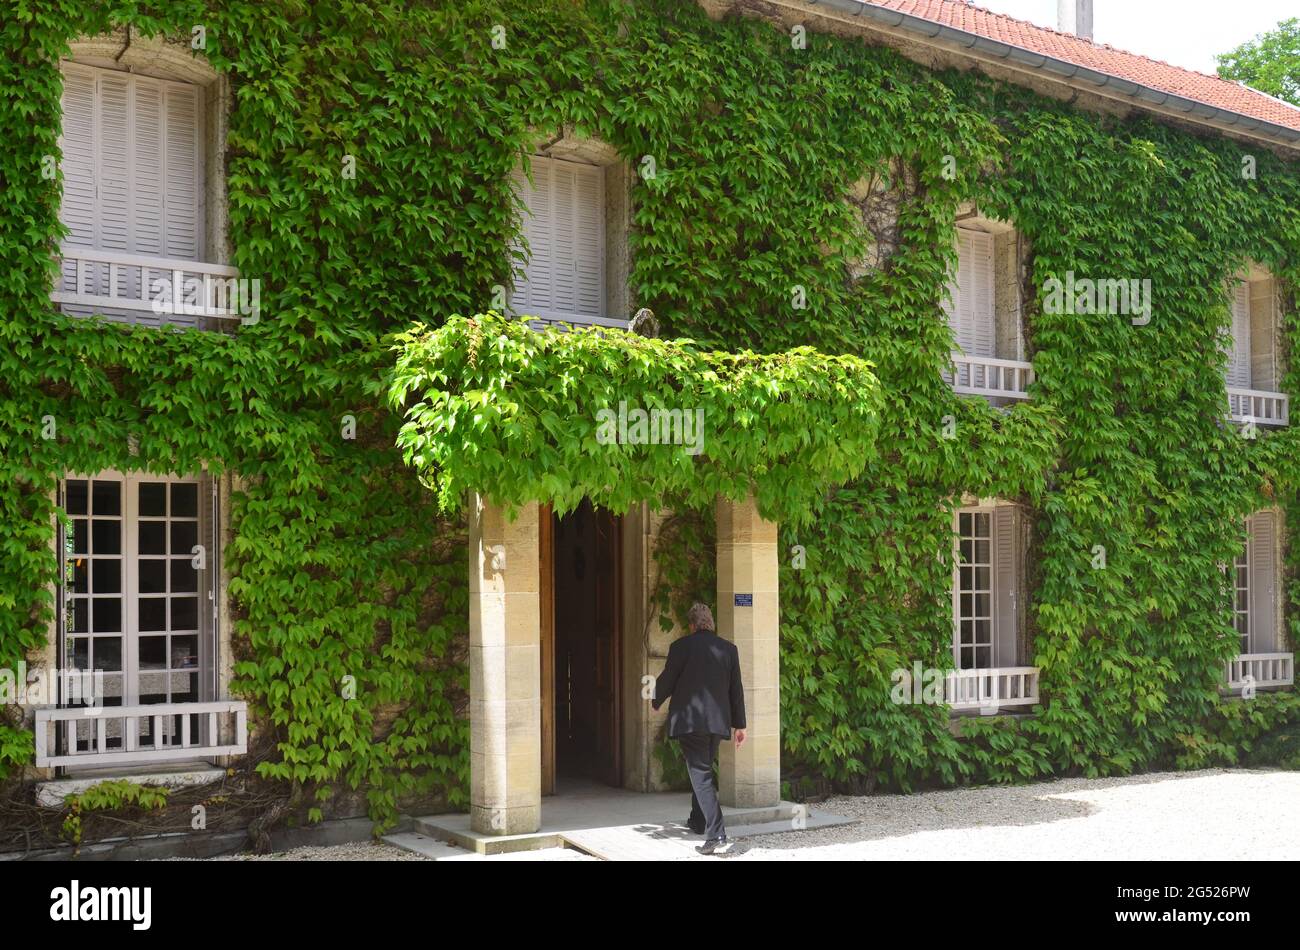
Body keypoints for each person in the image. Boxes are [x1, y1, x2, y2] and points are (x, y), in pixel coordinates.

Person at [652, 602, 747, 856]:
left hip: (690, 721)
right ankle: (698, 819)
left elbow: (667, 679)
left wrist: (655, 701)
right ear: (711, 623)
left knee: (700, 775)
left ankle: (716, 833)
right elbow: (735, 690)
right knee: (702, 769)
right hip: (717, 723)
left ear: (692, 625)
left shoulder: (681, 647)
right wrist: (741, 725)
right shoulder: (729, 649)